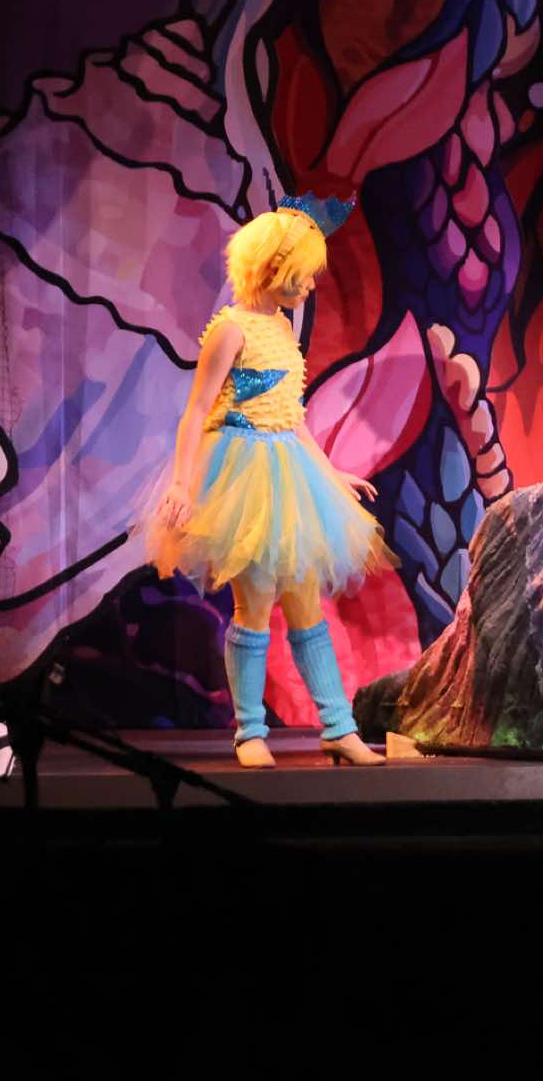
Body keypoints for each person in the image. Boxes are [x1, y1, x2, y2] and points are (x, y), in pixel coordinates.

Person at [145, 195, 394, 767]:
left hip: (288, 471)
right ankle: (250, 731)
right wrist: (181, 484)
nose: (310, 286)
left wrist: (329, 473)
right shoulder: (230, 330)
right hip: (243, 475)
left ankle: (338, 727)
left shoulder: (284, 327)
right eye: (302, 275)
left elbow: (290, 415)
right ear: (273, 268)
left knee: (307, 606)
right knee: (254, 606)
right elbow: (196, 409)